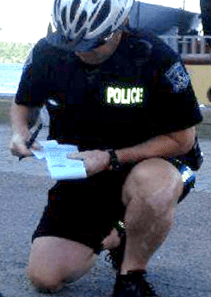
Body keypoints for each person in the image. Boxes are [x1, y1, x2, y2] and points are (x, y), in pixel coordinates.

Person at [10, 0, 203, 296]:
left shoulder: (154, 57)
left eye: (91, 44)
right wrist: (20, 132)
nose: (80, 51)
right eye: (71, 43)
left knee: (155, 187)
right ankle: (118, 233)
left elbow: (182, 139)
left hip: (149, 164)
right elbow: (24, 103)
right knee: (45, 277)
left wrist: (112, 158)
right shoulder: (48, 51)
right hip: (83, 170)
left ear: (119, 27)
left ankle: (131, 275)